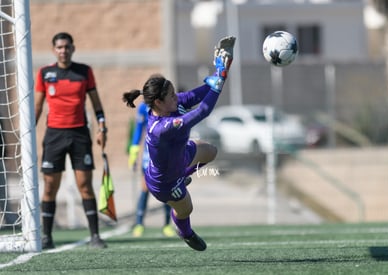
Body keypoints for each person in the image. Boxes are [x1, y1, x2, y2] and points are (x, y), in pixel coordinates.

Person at [122, 36, 236, 251]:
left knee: (211, 151)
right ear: (158, 102)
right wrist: (219, 78)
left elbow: (201, 93)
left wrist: (222, 69)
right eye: (172, 96)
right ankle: (185, 231)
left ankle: (185, 174)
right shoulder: (161, 128)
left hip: (180, 158)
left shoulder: (170, 104)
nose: (177, 98)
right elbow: (203, 110)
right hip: (164, 182)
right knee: (186, 210)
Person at [34, 32, 107, 249]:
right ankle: (46, 237)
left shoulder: (84, 72)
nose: (63, 51)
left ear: (72, 49)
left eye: (66, 47)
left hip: (79, 135)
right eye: (59, 47)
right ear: (54, 50)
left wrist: (102, 127)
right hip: (54, 135)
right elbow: (37, 106)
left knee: (84, 185)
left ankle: (95, 236)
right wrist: (28, 130)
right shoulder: (45, 73)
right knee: (49, 187)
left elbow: (97, 105)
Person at [128, 101, 175, 238]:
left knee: (167, 187)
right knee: (145, 187)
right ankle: (139, 224)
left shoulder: (168, 105)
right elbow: (139, 128)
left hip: (165, 154)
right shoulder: (144, 107)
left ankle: (167, 225)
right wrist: (134, 149)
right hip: (149, 154)